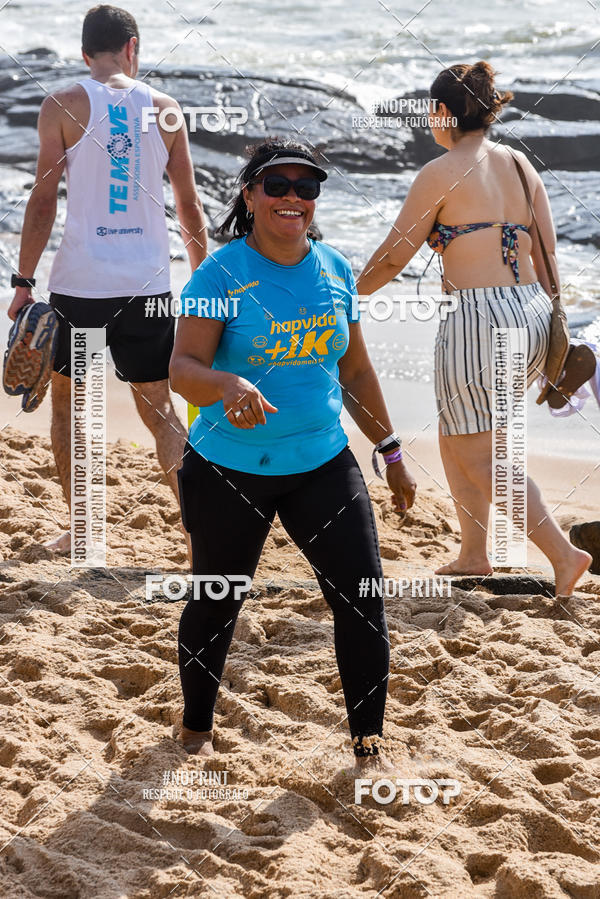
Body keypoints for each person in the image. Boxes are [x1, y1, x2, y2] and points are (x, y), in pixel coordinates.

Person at [169, 138, 417, 765]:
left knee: (362, 600)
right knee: (217, 599)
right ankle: (196, 730)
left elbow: (355, 371)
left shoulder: (334, 268)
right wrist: (227, 385)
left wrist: (390, 450)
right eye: (276, 185)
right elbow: (183, 369)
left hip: (322, 464)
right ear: (250, 195)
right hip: (228, 469)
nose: (292, 198)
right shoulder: (219, 275)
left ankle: (369, 747)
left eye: (305, 187)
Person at [356, 61, 591, 597]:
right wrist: (552, 331)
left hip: (478, 319)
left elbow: (393, 256)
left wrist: (344, 295)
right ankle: (473, 553)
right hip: (533, 311)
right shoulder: (521, 164)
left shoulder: (441, 171)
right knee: (458, 433)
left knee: (481, 452)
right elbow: (548, 255)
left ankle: (563, 554)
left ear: (443, 111)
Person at [8, 4, 207, 553]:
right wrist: (202, 279)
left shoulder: (62, 105)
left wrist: (23, 281)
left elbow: (42, 200)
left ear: (84, 54)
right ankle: (198, 536)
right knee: (160, 411)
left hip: (81, 286)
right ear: (132, 47)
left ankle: (85, 531)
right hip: (149, 286)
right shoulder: (166, 109)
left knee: (71, 408)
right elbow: (189, 206)